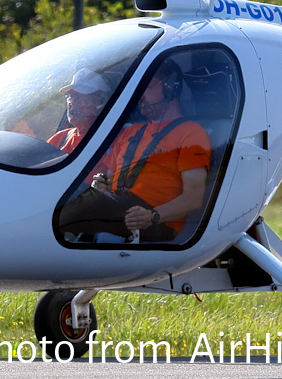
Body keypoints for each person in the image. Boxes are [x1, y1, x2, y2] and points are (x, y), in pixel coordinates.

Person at [58, 59, 209, 242]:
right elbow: (108, 177)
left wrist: (152, 216)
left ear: (170, 88)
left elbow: (193, 198)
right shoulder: (131, 132)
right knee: (70, 191)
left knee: (68, 198)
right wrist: (103, 184)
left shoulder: (191, 133)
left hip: (154, 222)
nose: (140, 95)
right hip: (119, 208)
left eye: (147, 87)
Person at [48, 68, 109, 154]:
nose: (73, 102)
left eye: (80, 96)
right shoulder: (60, 138)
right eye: (70, 96)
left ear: (101, 101)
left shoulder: (118, 137)